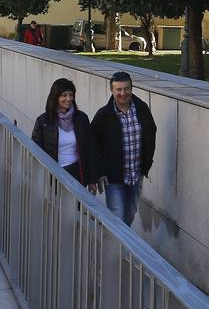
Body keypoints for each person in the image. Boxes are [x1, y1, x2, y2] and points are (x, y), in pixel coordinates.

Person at [90, 71, 156, 226]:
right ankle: (115, 248)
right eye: (118, 89)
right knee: (117, 217)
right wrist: (99, 172)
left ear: (131, 89)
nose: (123, 93)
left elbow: (151, 133)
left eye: (126, 89)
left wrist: (147, 163)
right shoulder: (104, 115)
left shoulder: (142, 109)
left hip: (136, 174)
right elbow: (92, 144)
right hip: (113, 177)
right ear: (112, 91)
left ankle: (120, 249)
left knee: (129, 215)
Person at [30, 77, 99, 188]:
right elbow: (35, 149)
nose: (68, 99)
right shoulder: (43, 121)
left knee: (75, 205)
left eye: (71, 95)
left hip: (76, 173)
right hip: (52, 175)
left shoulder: (81, 118)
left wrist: (92, 179)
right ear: (56, 97)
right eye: (64, 95)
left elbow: (90, 149)